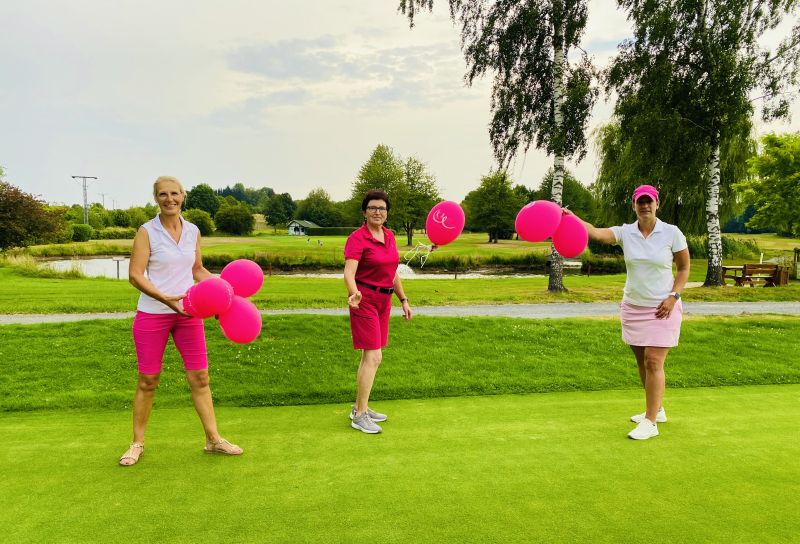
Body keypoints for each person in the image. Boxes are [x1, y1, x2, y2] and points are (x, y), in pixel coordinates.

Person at [118, 176, 243, 466]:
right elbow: (135, 275)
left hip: (189, 314)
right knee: (148, 381)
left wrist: (224, 290)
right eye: (163, 194)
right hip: (153, 314)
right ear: (156, 198)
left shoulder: (193, 231)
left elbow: (197, 269)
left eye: (174, 193)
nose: (169, 199)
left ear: (183, 196)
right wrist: (165, 299)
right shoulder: (147, 232)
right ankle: (137, 443)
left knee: (200, 378)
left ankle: (213, 440)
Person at [566, 184, 690, 440]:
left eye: (649, 201)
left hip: (662, 308)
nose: (645, 206)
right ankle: (658, 408)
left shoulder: (671, 233)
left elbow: (684, 268)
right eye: (640, 202)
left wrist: (673, 295)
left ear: (658, 204)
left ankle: (651, 422)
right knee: (641, 361)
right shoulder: (626, 232)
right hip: (633, 306)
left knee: (653, 361)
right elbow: (595, 233)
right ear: (634, 205)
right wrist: (570, 217)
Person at [343, 189, 412, 434]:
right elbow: (349, 272)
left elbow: (393, 272)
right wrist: (353, 293)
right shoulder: (357, 238)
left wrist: (403, 299)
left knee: (369, 356)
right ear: (364, 212)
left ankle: (361, 406)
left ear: (387, 213)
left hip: (385, 301)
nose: (377, 212)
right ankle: (360, 415)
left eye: (382, 208)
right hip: (364, 300)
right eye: (372, 207)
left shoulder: (389, 236)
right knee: (374, 357)